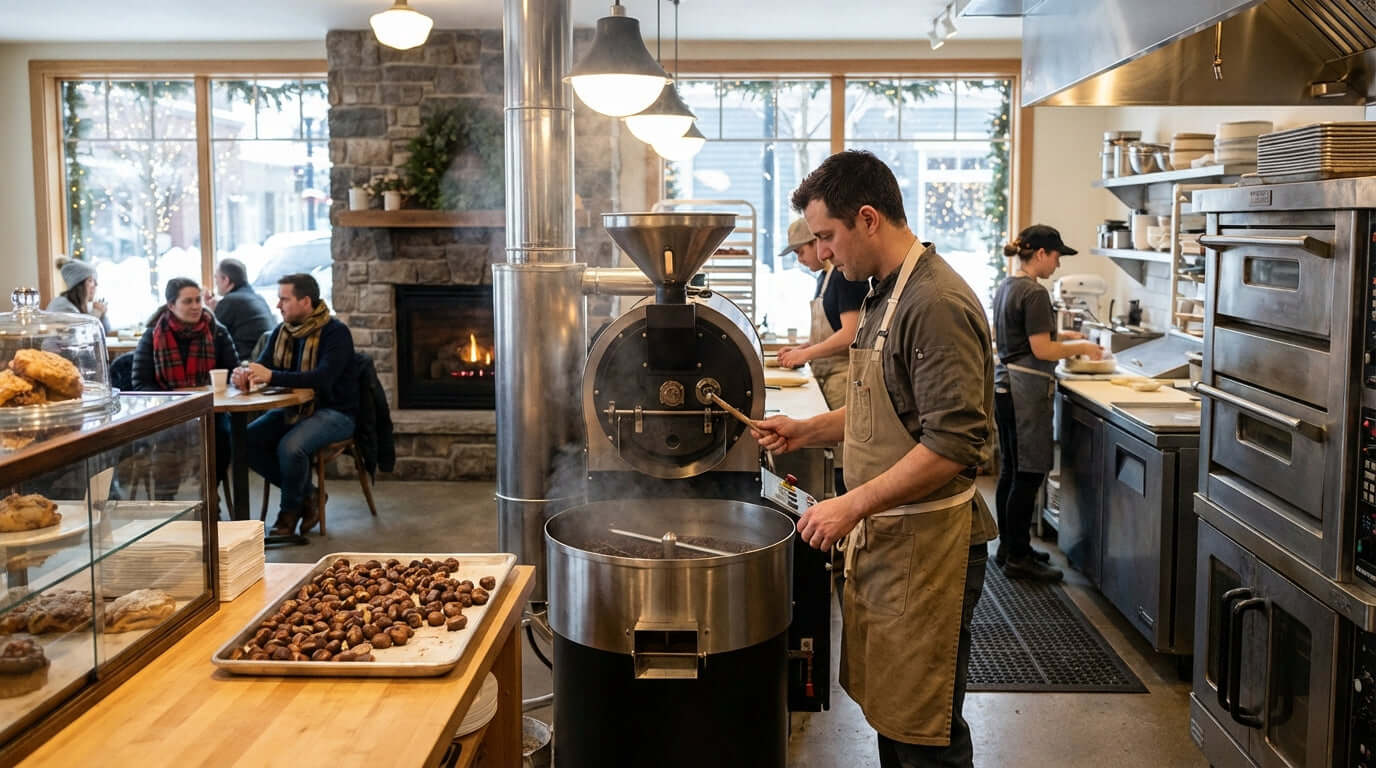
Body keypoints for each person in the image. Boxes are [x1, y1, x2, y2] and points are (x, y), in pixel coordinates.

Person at [752, 150, 999, 768]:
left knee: (923, 735)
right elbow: (884, 409)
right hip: (895, 541)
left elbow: (953, 444)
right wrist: (806, 431)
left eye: (827, 237)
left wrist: (849, 505)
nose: (825, 253)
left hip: (930, 548)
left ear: (867, 219)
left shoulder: (935, 303)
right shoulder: (888, 291)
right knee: (896, 719)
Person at [991, 226, 1105, 582]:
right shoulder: (1035, 293)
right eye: (1056, 256)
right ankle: (1019, 558)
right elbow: (1041, 350)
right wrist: (1082, 348)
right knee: (1029, 474)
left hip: (1005, 388)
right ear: (1040, 253)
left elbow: (1027, 337)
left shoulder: (1009, 285)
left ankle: (1011, 548)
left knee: (1011, 470)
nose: (1057, 264)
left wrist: (1065, 336)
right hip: (1025, 391)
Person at [236, 273, 358, 537]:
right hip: (294, 409)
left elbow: (323, 379)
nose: (278, 306)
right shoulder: (282, 332)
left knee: (291, 447)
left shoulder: (336, 332)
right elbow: (264, 368)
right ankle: (309, 496)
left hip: (336, 411)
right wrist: (247, 376)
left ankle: (288, 512)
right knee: (244, 442)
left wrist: (272, 376)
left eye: (284, 299)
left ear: (305, 301)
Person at [130, 278, 239, 499]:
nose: (196, 306)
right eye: (187, 301)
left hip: (210, 410)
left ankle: (209, 495)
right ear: (171, 305)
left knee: (222, 436)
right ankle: (167, 502)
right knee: (167, 442)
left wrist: (238, 377)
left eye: (198, 300)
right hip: (168, 412)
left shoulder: (217, 332)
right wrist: (175, 402)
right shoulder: (153, 335)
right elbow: (141, 384)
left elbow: (232, 374)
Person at [774, 217, 868, 411]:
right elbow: (831, 332)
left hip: (844, 378)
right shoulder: (825, 278)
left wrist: (806, 354)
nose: (800, 259)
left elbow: (850, 334)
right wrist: (799, 350)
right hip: (827, 377)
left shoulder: (845, 276)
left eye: (801, 252)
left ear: (817, 242)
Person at [206, 258, 274, 361]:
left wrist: (210, 311)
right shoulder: (258, 298)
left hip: (244, 363)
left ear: (225, 280)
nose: (216, 284)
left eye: (216, 279)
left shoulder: (231, 301)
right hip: (264, 360)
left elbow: (211, 335)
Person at [47, 258, 111, 333]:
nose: (95, 285)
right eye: (90, 280)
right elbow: (80, 337)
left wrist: (102, 314)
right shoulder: (62, 307)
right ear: (79, 285)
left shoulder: (79, 305)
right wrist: (95, 314)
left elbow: (105, 331)